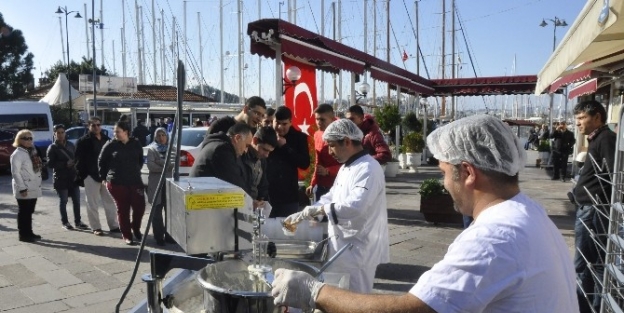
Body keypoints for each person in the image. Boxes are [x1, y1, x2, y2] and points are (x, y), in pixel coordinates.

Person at [272, 115, 579, 313]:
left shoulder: (493, 237)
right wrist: (316, 208)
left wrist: (314, 291)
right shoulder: (531, 213)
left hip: (357, 245)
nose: (444, 185)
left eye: (445, 173)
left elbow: (414, 309)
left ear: (468, 173)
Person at [283, 118, 389, 293]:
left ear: (347, 142)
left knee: (356, 299)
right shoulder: (347, 167)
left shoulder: (369, 168)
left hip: (358, 248)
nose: (329, 151)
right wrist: (308, 212)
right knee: (340, 296)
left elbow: (356, 206)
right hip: (342, 245)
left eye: (331, 145)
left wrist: (321, 209)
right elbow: (332, 196)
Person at [572, 100, 616, 313]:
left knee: (587, 264)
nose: (578, 123)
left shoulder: (606, 138)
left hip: (594, 210)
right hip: (589, 208)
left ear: (597, 117)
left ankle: (589, 307)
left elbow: (613, 176)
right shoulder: (598, 138)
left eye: (582, 118)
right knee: (590, 264)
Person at [99, 122, 146, 245]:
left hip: (135, 180)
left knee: (139, 207)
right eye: (114, 132)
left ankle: (135, 228)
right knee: (123, 208)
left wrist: (135, 169)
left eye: (118, 131)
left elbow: (140, 159)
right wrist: (103, 177)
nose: (115, 134)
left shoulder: (136, 143)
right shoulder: (110, 145)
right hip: (116, 182)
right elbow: (101, 161)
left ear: (126, 132)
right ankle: (127, 235)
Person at [75, 117, 120, 236]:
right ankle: (96, 227)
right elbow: (78, 160)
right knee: (92, 203)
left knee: (110, 201)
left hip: (106, 176)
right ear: (89, 126)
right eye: (93, 125)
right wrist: (84, 175)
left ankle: (114, 225)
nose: (96, 127)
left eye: (98, 125)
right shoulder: (83, 141)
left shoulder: (106, 139)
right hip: (90, 175)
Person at [267, 106, 310, 217]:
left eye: (284, 124)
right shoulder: (265, 134)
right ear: (273, 121)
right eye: (277, 123)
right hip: (267, 194)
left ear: (290, 122)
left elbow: (304, 163)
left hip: (288, 195)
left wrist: (285, 147)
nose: (280, 127)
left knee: (287, 229)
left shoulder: (299, 137)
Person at [189, 122, 253, 194]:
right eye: (246, 145)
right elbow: (236, 185)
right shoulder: (222, 150)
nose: (246, 150)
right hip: (201, 198)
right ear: (237, 138)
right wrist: (250, 201)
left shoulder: (217, 145)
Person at [47, 124, 89, 231]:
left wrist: (76, 164)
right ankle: (65, 222)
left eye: (62, 132)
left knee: (77, 201)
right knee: (64, 201)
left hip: (73, 177)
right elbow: (50, 164)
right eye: (58, 133)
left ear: (65, 133)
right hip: (61, 178)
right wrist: (65, 164)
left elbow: (76, 157)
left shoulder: (70, 144)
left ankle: (78, 221)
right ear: (54, 134)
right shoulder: (52, 148)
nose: (61, 135)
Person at [10, 129, 43, 242]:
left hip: (33, 186)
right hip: (24, 187)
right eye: (25, 138)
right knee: (24, 212)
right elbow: (15, 172)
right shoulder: (17, 154)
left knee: (29, 211)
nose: (29, 140)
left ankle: (29, 232)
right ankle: (23, 235)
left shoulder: (32, 151)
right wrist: (22, 188)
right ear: (19, 140)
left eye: (30, 138)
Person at [305, 104, 340, 202]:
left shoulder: (342, 134)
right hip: (322, 185)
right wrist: (313, 183)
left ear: (332, 119)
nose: (319, 123)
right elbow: (318, 161)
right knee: (320, 215)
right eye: (317, 119)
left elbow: (349, 162)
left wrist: (328, 171)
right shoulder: (317, 135)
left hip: (339, 184)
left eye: (322, 120)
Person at [146, 127, 174, 246]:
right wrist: (165, 166)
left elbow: (174, 163)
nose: (161, 138)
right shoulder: (152, 149)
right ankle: (158, 236)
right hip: (156, 183)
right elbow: (151, 166)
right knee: (156, 211)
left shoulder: (172, 148)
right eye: (159, 135)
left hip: (169, 183)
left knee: (170, 211)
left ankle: (169, 235)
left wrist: (159, 162)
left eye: (163, 135)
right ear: (155, 137)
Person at [244, 126, 278, 208]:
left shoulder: (262, 160)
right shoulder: (242, 157)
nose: (266, 155)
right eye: (265, 150)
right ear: (255, 140)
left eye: (269, 152)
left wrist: (262, 200)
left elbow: (263, 185)